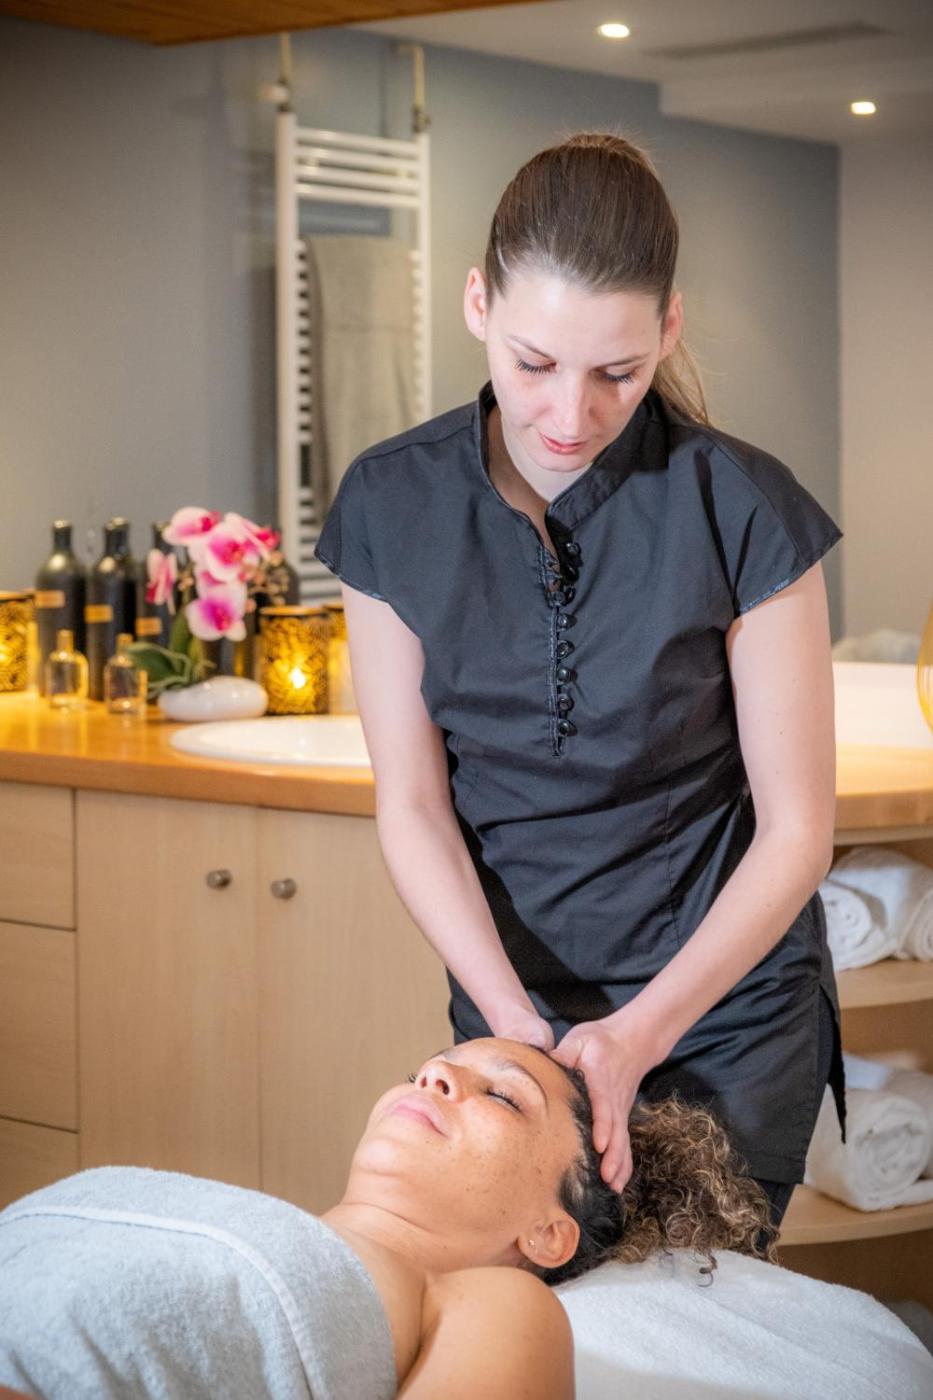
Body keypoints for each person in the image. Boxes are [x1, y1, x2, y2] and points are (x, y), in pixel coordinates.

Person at [313, 131, 846, 1225]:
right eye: (533, 364)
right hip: (510, 1022)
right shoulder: (389, 505)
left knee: (691, 1319)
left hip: (721, 1022)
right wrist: (514, 1027)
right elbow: (413, 804)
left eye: (617, 373)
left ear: (668, 330)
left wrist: (637, 1033)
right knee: (519, 1309)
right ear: (477, 305)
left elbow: (797, 833)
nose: (569, 417)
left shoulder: (744, 509)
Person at [0, 1038, 777, 1399]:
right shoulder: (253, 1230)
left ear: (548, 1231)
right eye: (433, 1067)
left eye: (501, 1095)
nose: (434, 1072)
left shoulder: (497, 1304)